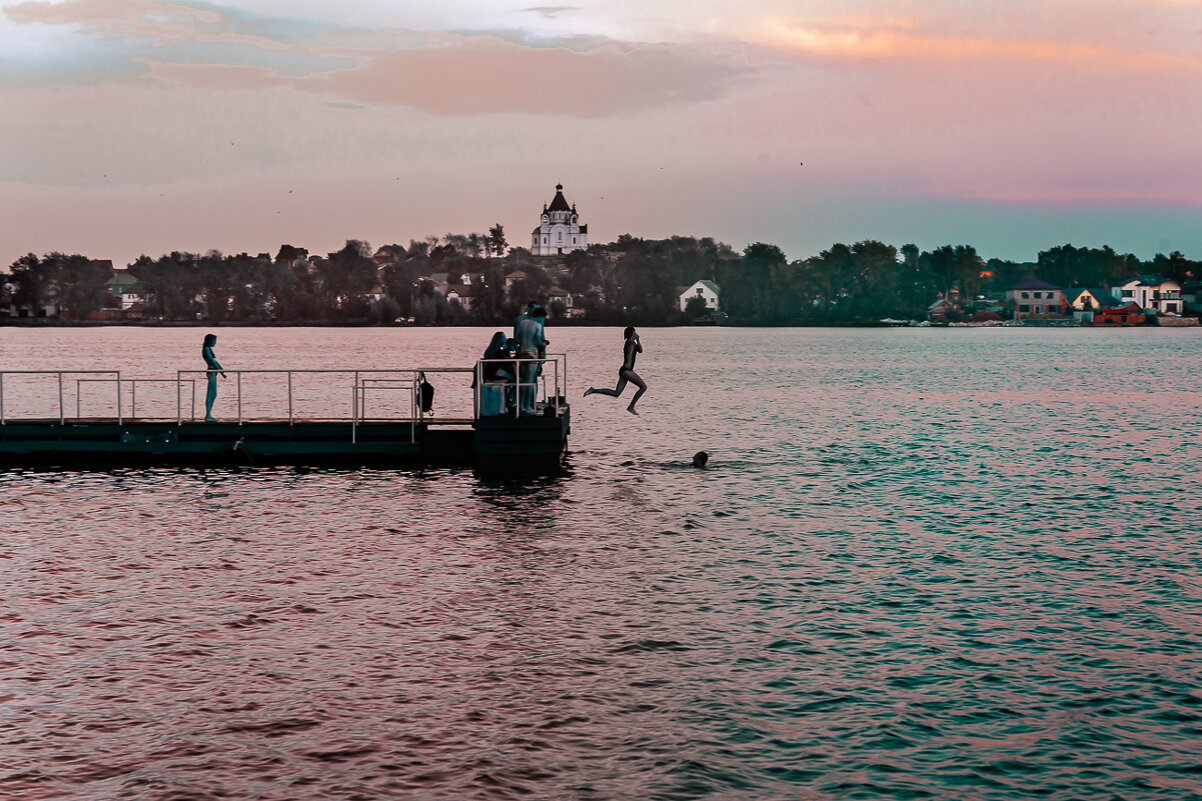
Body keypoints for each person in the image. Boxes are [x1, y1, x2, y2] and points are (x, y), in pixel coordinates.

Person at [584, 326, 646, 415]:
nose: (636, 333)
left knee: (616, 393)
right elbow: (632, 353)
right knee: (643, 387)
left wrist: (638, 340)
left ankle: (593, 390)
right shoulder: (630, 344)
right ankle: (631, 407)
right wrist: (636, 341)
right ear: (632, 333)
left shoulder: (631, 343)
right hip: (627, 371)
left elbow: (640, 351)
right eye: (635, 332)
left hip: (624, 371)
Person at [515, 308, 548, 414]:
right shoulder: (537, 325)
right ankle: (527, 406)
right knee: (529, 382)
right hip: (532, 353)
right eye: (543, 318)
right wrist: (544, 344)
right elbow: (538, 341)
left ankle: (520, 404)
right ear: (540, 316)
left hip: (522, 352)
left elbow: (518, 339)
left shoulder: (522, 323)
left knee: (523, 380)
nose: (543, 320)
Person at [478, 331, 516, 416]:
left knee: (513, 379)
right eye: (504, 338)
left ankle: (510, 399)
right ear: (499, 340)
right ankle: (511, 400)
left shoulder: (490, 350)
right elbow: (507, 361)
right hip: (496, 372)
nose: (505, 339)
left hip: (491, 372)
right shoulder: (499, 351)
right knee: (516, 380)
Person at [201, 333, 226, 422]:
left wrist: (221, 371)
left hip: (214, 372)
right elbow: (212, 361)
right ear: (210, 341)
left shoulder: (208, 349)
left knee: (214, 394)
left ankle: (209, 414)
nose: (215, 343)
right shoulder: (206, 349)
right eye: (214, 341)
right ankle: (208, 415)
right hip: (211, 372)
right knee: (210, 393)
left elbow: (215, 361)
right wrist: (221, 371)